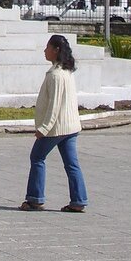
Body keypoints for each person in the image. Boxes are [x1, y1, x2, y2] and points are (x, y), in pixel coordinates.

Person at [20, 34, 88, 213]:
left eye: (47, 47)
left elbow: (54, 106)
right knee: (72, 164)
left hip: (57, 128)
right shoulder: (66, 71)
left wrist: (44, 128)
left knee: (37, 157)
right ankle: (79, 200)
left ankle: (35, 199)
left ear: (55, 50)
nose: (45, 51)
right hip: (70, 126)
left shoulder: (56, 75)